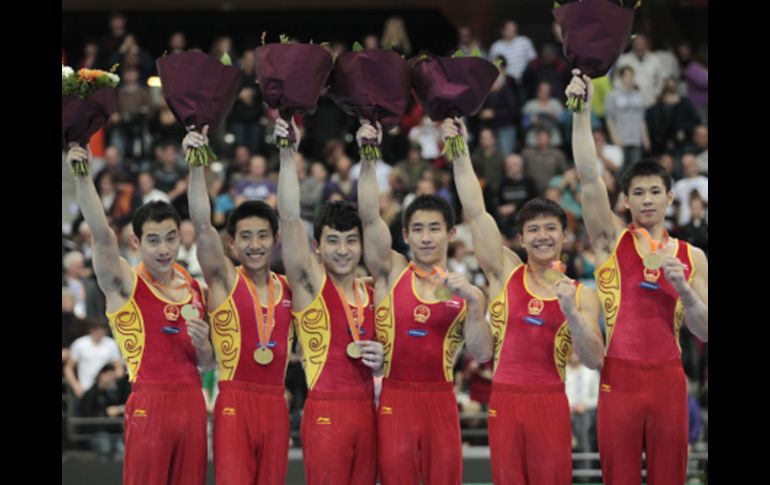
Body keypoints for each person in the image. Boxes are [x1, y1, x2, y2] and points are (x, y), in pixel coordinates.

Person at [444, 118, 603, 485]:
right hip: (505, 400)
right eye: (533, 229)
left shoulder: (583, 295)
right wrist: (460, 152)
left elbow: (594, 359)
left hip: (550, 400)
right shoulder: (506, 272)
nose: (542, 236)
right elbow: (476, 210)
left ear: (565, 235)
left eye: (551, 228)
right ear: (520, 238)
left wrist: (572, 315)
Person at [567, 71, 708, 485]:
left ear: (669, 197)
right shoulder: (611, 241)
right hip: (619, 378)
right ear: (625, 201)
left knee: (670, 478)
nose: (647, 200)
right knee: (619, 477)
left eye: (655, 192)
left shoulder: (691, 255)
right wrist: (581, 112)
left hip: (668, 377)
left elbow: (704, 328)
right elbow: (590, 178)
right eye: (639, 193)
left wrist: (683, 288)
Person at [66, 144, 214, 485]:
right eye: (153, 240)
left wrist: (204, 344)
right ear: (135, 242)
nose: (164, 249)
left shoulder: (193, 285)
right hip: (150, 401)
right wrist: (83, 175)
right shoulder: (124, 283)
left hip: (192, 402)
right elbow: (102, 236)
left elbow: (205, 363)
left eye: (171, 238)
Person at [357, 120, 493, 485]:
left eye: (434, 228)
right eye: (417, 229)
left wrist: (476, 306)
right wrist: (369, 157)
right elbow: (369, 217)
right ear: (405, 235)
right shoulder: (391, 271)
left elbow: (481, 354)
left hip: (441, 402)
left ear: (451, 233)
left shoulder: (468, 291)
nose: (426, 238)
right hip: (395, 398)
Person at [275, 118, 384, 485]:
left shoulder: (374, 291)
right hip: (325, 411)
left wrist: (369, 158)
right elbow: (290, 220)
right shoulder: (309, 285)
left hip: (369, 412)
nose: (343, 250)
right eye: (333, 241)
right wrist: (288, 155)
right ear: (317, 247)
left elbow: (372, 217)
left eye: (351, 241)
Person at [184, 128, 295, 484]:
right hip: (233, 402)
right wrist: (196, 165)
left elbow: (292, 219)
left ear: (275, 240)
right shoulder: (225, 280)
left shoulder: (289, 288)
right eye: (245, 237)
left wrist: (288, 152)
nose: (255, 245)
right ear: (230, 243)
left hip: (277, 405)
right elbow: (202, 225)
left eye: (263, 235)